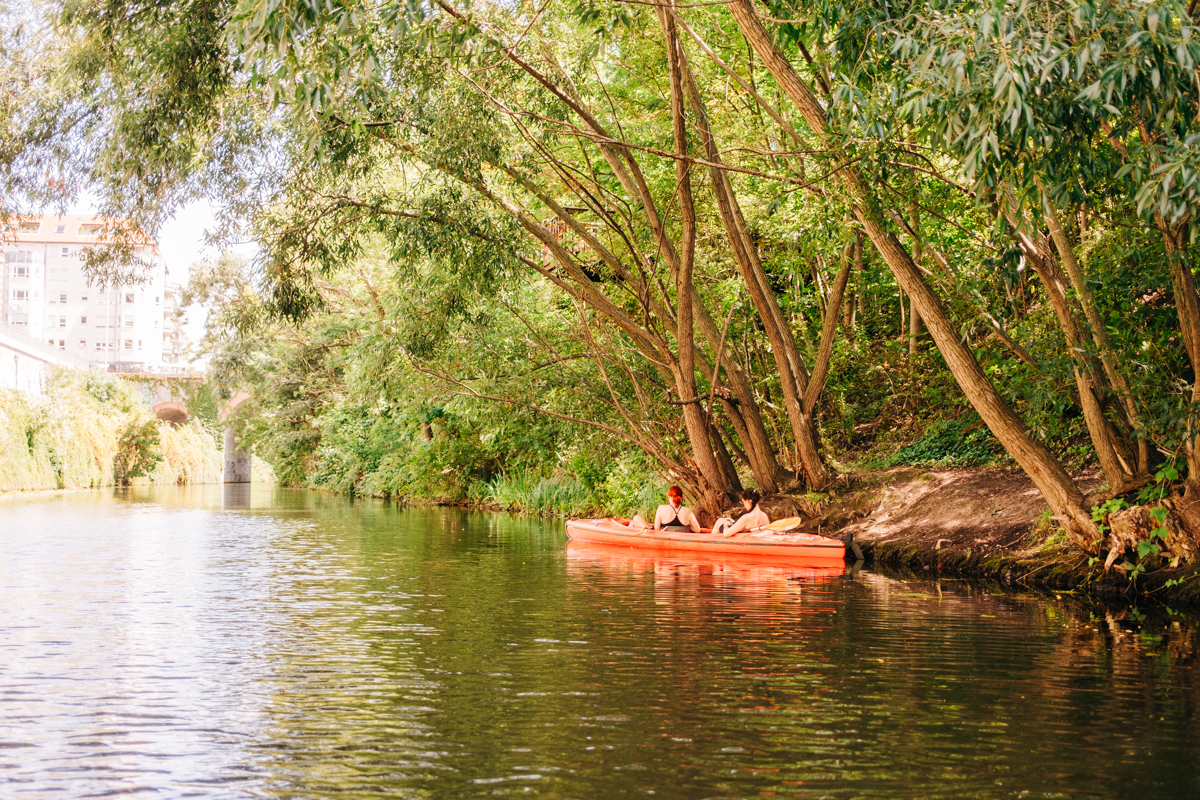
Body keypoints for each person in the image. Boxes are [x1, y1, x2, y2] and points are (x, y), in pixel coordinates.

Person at [628, 485, 701, 532]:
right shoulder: (688, 511)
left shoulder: (661, 508)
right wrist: (687, 525)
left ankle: (633, 527)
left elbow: (657, 529)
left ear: (669, 496)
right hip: (681, 538)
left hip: (664, 539)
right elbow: (698, 530)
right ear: (682, 497)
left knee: (636, 517)